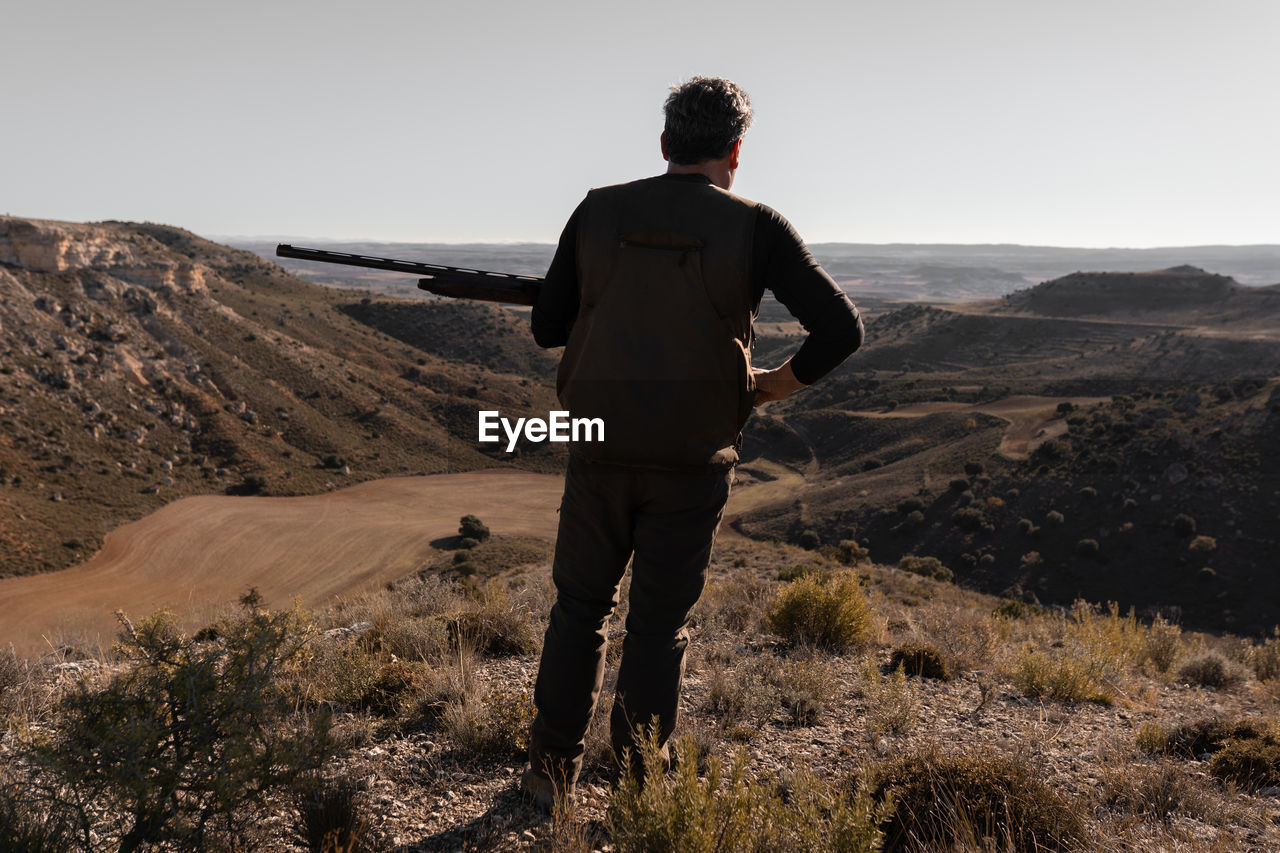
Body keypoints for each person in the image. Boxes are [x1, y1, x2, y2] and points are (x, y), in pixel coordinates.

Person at [522, 76, 864, 809]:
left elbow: (547, 327)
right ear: (735, 151)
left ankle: (550, 775)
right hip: (693, 456)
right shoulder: (757, 226)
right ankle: (643, 786)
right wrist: (771, 385)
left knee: (578, 608)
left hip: (597, 446)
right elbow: (842, 328)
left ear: (665, 143)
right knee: (657, 626)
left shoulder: (598, 209)